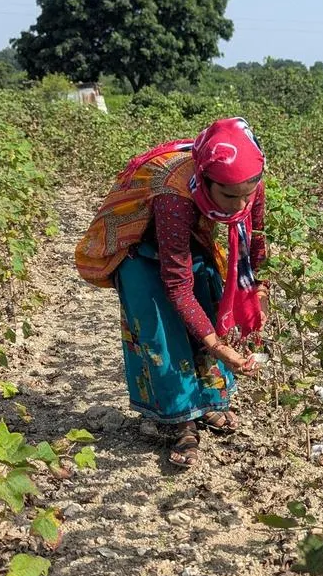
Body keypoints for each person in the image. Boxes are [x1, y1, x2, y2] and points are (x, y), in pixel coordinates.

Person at [74, 117, 269, 468]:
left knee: (209, 306)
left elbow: (257, 238)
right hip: (141, 253)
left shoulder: (247, 179)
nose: (239, 205)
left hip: (192, 240)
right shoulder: (173, 194)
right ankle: (180, 423)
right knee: (161, 331)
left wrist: (259, 291)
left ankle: (209, 404)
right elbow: (177, 286)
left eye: (246, 195)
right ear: (205, 180)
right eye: (228, 196)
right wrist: (219, 346)